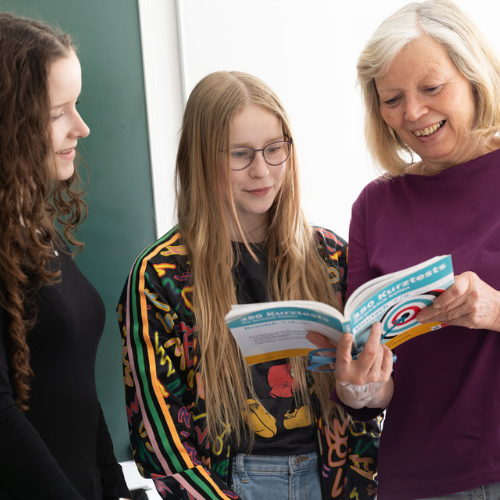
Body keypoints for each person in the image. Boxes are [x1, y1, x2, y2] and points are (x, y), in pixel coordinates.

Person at [118, 70, 380, 500]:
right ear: (202, 159)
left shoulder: (330, 255)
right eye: (240, 155)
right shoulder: (159, 276)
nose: (262, 170)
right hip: (229, 483)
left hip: (333, 477)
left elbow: (366, 403)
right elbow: (161, 444)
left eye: (274, 149)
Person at [307, 0, 500, 498]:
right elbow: (378, 384)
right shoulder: (375, 204)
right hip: (416, 479)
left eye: (431, 88)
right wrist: (360, 386)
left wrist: (495, 309)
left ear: (474, 77)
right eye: (392, 99)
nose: (413, 113)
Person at [0, 12, 131, 500]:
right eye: (58, 113)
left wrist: (116, 488)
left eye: (76, 106)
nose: (82, 127)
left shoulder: (33, 228)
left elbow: (76, 390)